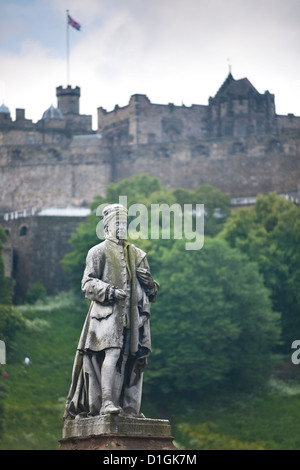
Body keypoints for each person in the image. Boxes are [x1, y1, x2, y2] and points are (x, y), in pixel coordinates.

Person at [63, 203, 159, 420]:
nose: (122, 228)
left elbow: (150, 292)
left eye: (124, 224)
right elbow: (87, 284)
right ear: (107, 227)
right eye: (118, 224)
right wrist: (110, 291)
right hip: (105, 316)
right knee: (113, 353)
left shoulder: (137, 254)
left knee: (130, 359)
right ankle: (106, 403)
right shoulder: (98, 252)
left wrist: (150, 284)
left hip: (131, 319)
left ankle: (128, 409)